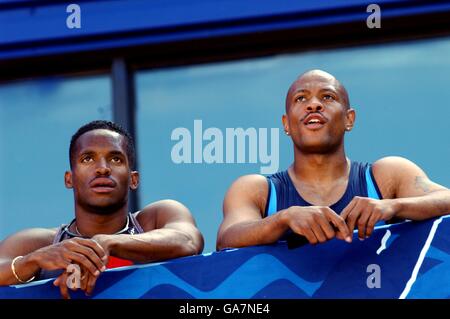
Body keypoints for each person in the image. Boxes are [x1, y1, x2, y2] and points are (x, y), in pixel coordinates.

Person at [217, 69, 450, 250]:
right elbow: (226, 240)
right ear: (286, 124)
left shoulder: (387, 175)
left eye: (327, 97)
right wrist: (284, 219)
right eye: (301, 99)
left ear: (349, 119)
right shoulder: (257, 189)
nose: (314, 104)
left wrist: (392, 205)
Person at [0, 120, 204, 298]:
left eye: (115, 159)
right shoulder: (39, 242)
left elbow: (188, 240)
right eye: (87, 158)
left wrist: (107, 242)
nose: (102, 168)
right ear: (69, 179)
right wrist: (33, 260)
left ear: (133, 179)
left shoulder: (156, 218)